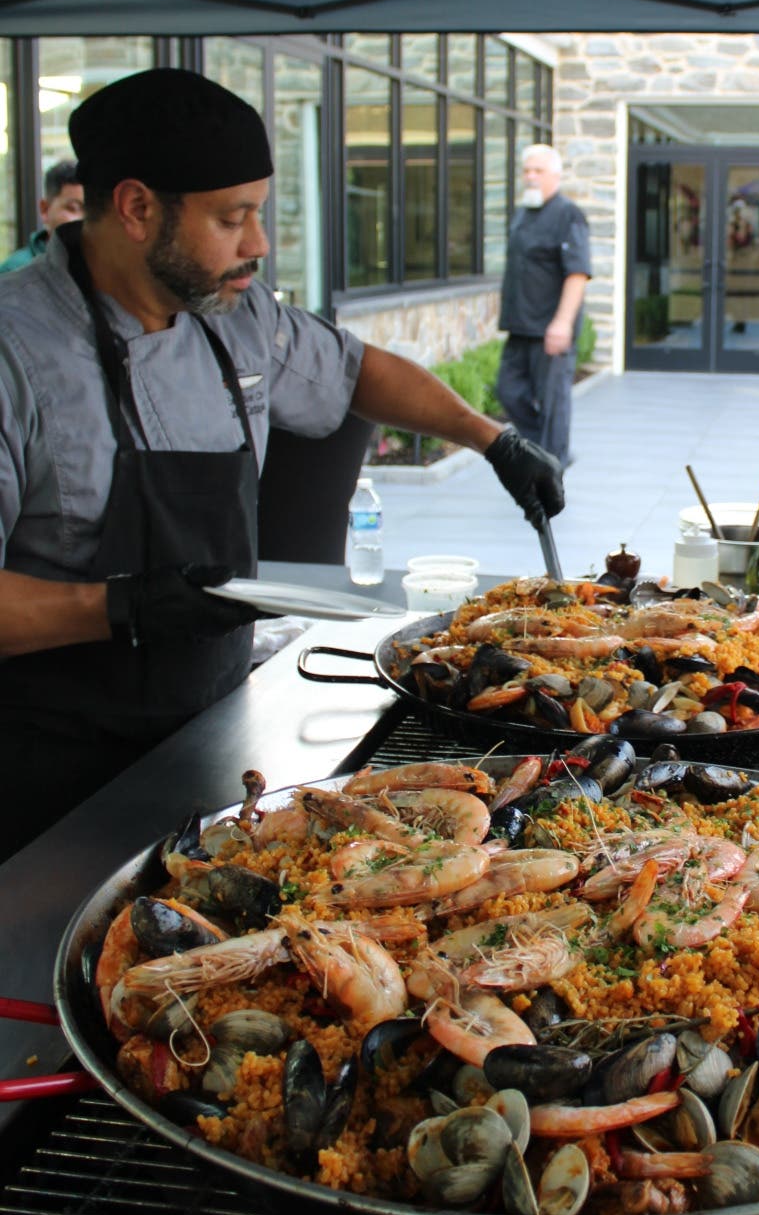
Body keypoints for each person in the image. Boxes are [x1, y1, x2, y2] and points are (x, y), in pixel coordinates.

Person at [0, 68, 563, 857]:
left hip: (213, 732)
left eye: (259, 214)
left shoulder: (236, 316)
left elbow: (358, 371)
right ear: (136, 208)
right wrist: (122, 607)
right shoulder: (16, 349)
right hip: (49, 771)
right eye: (232, 218)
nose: (258, 244)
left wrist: (491, 439)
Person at [495, 144, 591, 467]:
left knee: (553, 404)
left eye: (538, 170)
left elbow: (577, 274)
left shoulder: (568, 215)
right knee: (507, 390)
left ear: (556, 176)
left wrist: (562, 323)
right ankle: (547, 452)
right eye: (527, 171)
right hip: (519, 326)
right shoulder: (522, 214)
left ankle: (553, 465)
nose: (531, 177)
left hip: (551, 328)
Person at [0, 159, 84, 272]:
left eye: (92, 211)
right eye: (73, 208)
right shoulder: (15, 270)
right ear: (45, 209)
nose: (84, 220)